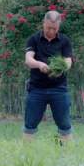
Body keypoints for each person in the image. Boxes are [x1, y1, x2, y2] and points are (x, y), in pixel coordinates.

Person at [22, 10, 74, 142]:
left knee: (65, 125)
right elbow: (28, 60)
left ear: (59, 26)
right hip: (36, 89)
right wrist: (39, 65)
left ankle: (67, 155)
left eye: (54, 28)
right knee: (30, 125)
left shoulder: (65, 41)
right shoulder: (33, 39)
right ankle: (27, 155)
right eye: (48, 27)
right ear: (43, 23)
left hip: (59, 89)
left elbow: (68, 60)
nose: (51, 31)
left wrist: (62, 68)